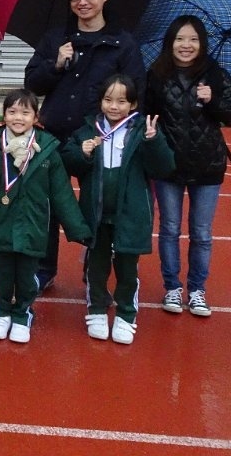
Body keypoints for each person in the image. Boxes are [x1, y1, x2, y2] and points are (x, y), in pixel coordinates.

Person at [24, 0, 146, 292]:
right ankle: (44, 268)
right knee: (47, 205)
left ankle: (95, 267)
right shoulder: (56, 38)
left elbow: (136, 93)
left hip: (100, 138)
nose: (83, 2)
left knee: (98, 204)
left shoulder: (122, 43)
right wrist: (56, 64)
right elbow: (32, 83)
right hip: (55, 134)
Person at [145, 15, 231, 317]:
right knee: (169, 228)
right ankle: (172, 287)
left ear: (202, 43)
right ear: (170, 42)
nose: (185, 45)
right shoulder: (157, 74)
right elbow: (147, 113)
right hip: (169, 164)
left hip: (207, 164)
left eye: (193, 39)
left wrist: (214, 100)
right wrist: (151, 137)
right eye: (180, 39)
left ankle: (197, 289)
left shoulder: (215, 74)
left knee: (201, 232)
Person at [0, 88, 92, 344]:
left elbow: (61, 192)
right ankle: (3, 309)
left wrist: (78, 228)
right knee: (2, 271)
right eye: (12, 111)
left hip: (33, 223)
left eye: (25, 112)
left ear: (35, 117)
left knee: (27, 274)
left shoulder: (47, 148)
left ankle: (22, 312)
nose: (18, 117)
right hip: (1, 221)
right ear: (4, 115)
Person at [61, 74, 175, 344]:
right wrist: (82, 153)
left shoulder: (142, 130)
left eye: (122, 101)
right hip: (97, 213)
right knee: (96, 266)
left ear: (133, 104)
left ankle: (126, 314)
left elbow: (164, 167)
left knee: (127, 268)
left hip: (130, 213)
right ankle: (97, 309)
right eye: (108, 100)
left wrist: (153, 141)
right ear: (101, 101)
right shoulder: (88, 129)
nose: (114, 106)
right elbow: (68, 162)